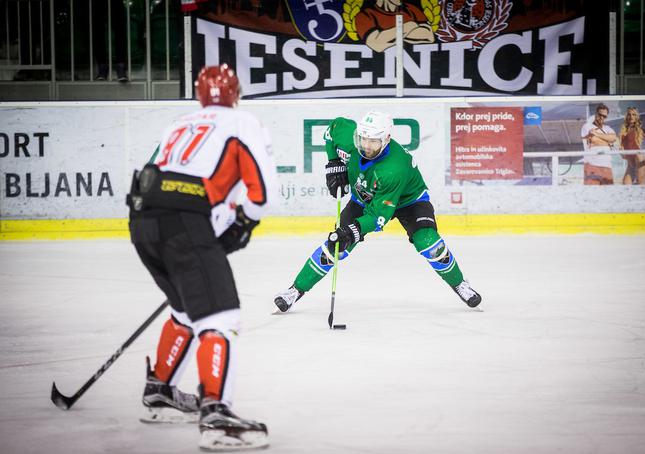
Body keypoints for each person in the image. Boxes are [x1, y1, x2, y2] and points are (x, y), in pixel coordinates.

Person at [126, 64, 276, 451]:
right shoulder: (242, 122)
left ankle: (160, 391)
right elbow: (262, 190)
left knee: (185, 309)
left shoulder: (179, 124)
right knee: (220, 316)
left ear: (199, 95)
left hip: (143, 219)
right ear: (236, 94)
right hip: (184, 222)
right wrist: (245, 222)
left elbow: (158, 172)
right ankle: (217, 417)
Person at [274, 111, 481, 313]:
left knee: (429, 243)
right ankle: (295, 290)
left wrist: (351, 231)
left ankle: (459, 283)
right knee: (335, 246)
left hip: (409, 200)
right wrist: (334, 163)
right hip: (364, 197)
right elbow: (332, 130)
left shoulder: (393, 169)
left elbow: (377, 217)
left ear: (387, 138)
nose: (366, 145)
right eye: (363, 139)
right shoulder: (352, 140)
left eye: (373, 141)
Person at [354, 0, 435, 52]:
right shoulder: (365, 15)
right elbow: (376, 44)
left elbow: (429, 36)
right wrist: (411, 25)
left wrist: (386, 36)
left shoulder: (411, 9)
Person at [619, 107, 645, 185]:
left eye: (634, 115)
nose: (631, 117)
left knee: (641, 186)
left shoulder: (639, 129)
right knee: (625, 186)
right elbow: (622, 148)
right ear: (627, 116)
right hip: (630, 162)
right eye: (629, 114)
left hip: (639, 159)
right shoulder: (623, 130)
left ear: (636, 117)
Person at [580, 103, 618, 185]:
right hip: (591, 165)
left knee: (609, 195)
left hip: (606, 166)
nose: (601, 118)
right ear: (596, 114)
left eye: (604, 116)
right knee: (591, 195)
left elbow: (614, 138)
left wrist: (596, 134)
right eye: (600, 115)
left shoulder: (608, 128)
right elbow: (594, 140)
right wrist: (607, 141)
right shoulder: (587, 126)